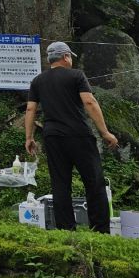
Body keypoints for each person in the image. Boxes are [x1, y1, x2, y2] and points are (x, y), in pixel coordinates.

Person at [25, 40, 118, 233]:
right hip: (79, 136)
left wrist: (29, 137)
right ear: (66, 56)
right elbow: (90, 102)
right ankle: (100, 231)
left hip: (52, 137)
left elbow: (31, 108)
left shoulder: (38, 81)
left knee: (60, 184)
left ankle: (66, 231)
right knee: (94, 182)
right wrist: (105, 132)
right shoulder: (76, 75)